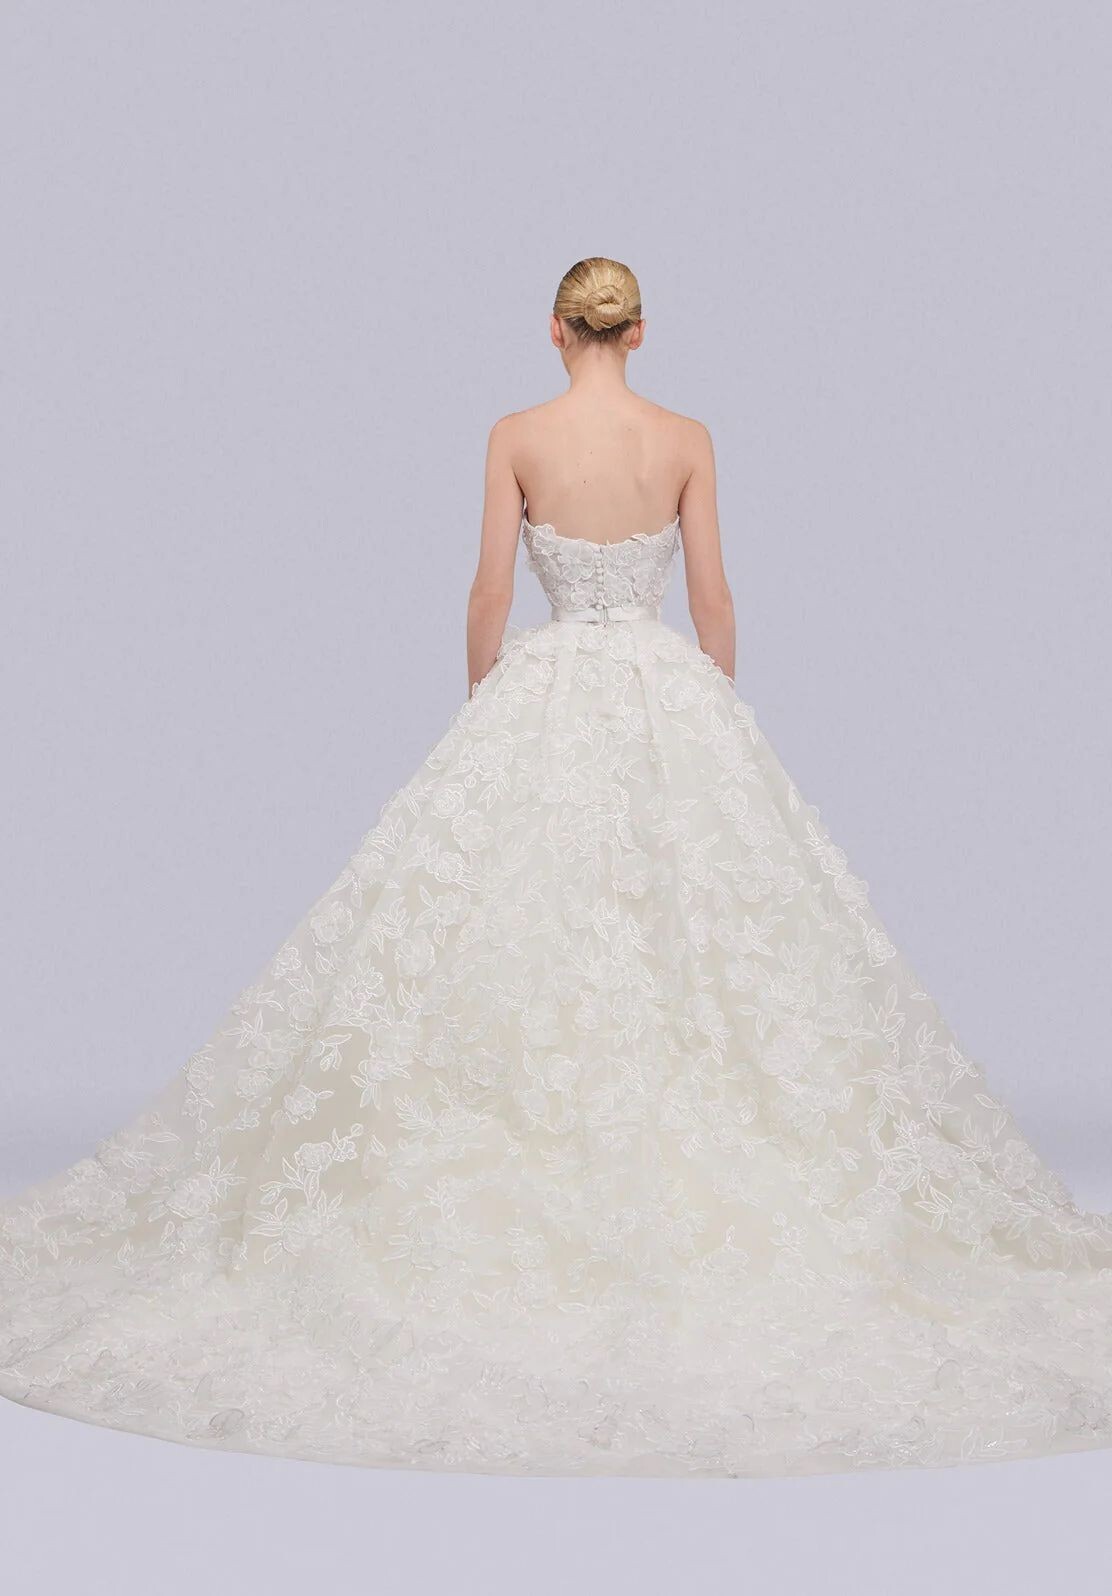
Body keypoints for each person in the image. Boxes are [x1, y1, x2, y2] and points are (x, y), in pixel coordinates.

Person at [3, 256, 1112, 1478]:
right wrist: (708, 712)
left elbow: (488, 589)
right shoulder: (684, 437)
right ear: (638, 332)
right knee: (687, 943)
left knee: (508, 938)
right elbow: (713, 599)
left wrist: (484, 701)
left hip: (540, 692)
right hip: (661, 690)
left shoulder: (515, 434)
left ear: (551, 331)